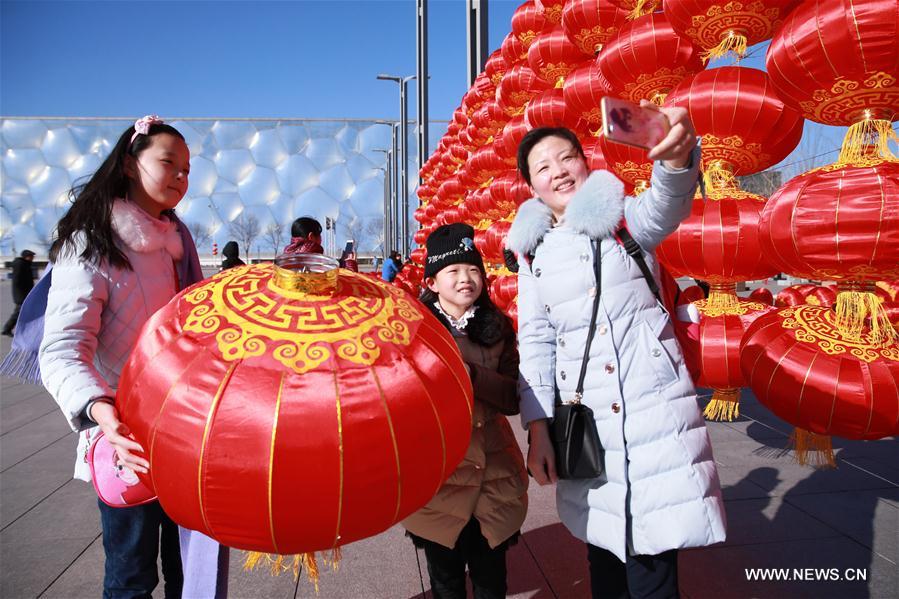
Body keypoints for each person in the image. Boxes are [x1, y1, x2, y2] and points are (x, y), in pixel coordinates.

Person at [507, 106, 726, 599]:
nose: (559, 170)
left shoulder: (626, 219)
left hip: (652, 411)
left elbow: (667, 204)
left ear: (585, 163)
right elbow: (536, 340)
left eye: (567, 158)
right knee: (602, 551)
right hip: (586, 423)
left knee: (653, 564)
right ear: (532, 186)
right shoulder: (533, 252)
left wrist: (675, 161)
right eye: (543, 167)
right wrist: (537, 428)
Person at [38, 115, 200, 599]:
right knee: (130, 577)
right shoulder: (91, 241)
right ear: (130, 165)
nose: (179, 177)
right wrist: (101, 412)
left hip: (188, 434)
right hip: (125, 441)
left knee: (192, 571)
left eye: (187, 169)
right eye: (168, 163)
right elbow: (63, 349)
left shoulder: (178, 243)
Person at [402, 223, 528, 599]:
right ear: (432, 282)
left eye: (473, 270)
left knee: (492, 583)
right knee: (446, 583)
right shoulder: (413, 331)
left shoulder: (498, 328)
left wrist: (471, 375)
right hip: (437, 475)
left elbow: (512, 398)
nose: (465, 279)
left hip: (494, 474)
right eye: (453, 271)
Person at [1, 249, 36, 336]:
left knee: (22, 312)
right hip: (21, 294)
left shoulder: (25, 264)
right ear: (26, 257)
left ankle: (23, 330)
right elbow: (17, 281)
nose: (32, 258)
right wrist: (21, 295)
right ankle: (7, 329)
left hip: (24, 293)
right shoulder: (20, 264)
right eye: (31, 256)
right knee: (18, 312)